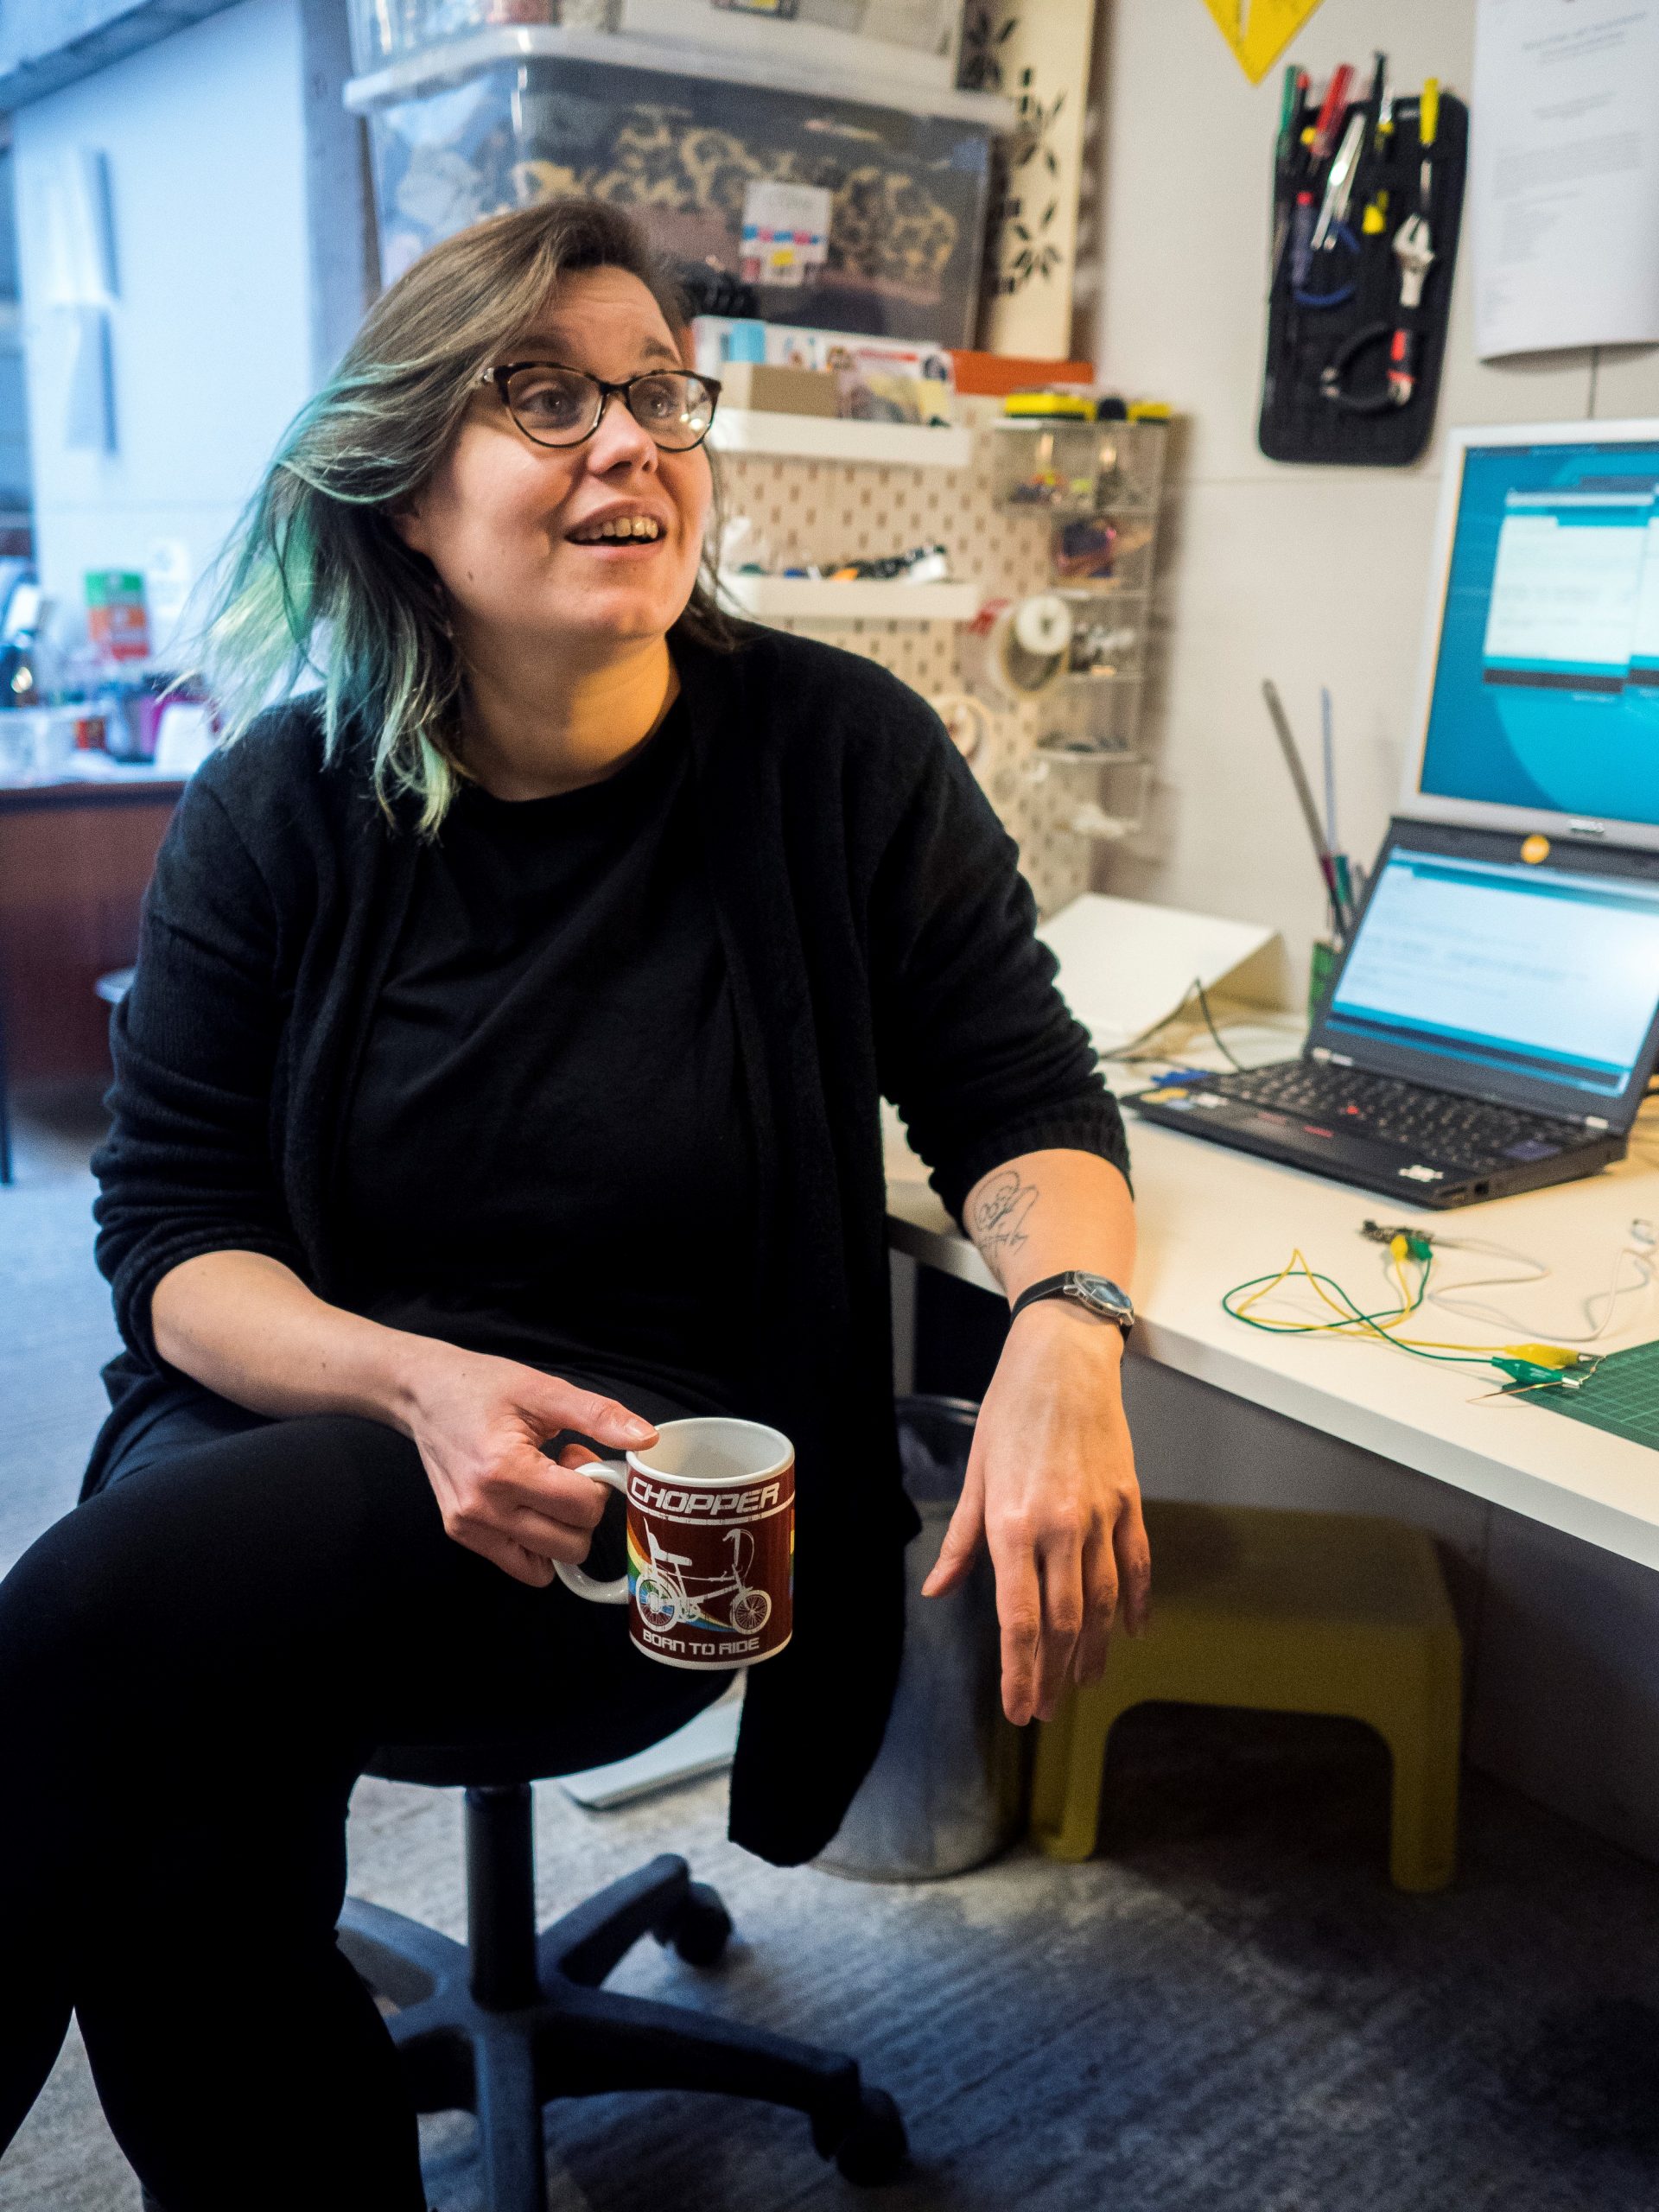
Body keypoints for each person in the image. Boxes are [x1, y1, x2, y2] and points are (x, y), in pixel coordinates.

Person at [0, 197, 1148, 2209]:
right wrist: (415, 1385)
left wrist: (1068, 1325)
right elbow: (173, 1242)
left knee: (92, 1640)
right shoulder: (283, 800)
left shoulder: (831, 755)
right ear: (407, 498)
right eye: (544, 397)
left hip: (655, 1505)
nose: (631, 441)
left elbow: (1022, 1098)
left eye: (655, 392)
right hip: (322, 1413)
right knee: (153, 1763)